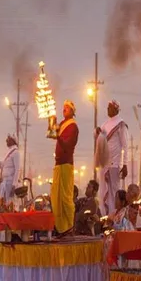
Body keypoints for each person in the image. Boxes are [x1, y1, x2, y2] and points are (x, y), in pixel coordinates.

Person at [51, 100, 79, 235]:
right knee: (55, 197)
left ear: (73, 111)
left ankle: (68, 226)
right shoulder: (62, 124)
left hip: (66, 165)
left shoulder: (73, 126)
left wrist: (58, 138)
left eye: (67, 108)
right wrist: (51, 122)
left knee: (66, 198)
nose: (64, 109)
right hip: (58, 165)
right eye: (63, 107)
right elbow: (51, 134)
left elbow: (68, 146)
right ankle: (59, 227)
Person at [96, 100, 128, 216]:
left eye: (110, 107)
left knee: (115, 193)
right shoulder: (104, 125)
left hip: (115, 164)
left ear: (116, 109)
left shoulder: (120, 124)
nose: (107, 109)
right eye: (107, 107)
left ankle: (116, 219)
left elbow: (125, 146)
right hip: (104, 164)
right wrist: (98, 134)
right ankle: (107, 218)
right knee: (103, 193)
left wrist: (125, 164)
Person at [0, 134, 21, 207]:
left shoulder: (16, 153)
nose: (6, 140)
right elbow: (1, 165)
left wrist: (14, 185)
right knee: (3, 205)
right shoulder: (9, 152)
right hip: (5, 183)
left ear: (13, 141)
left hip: (10, 183)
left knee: (10, 204)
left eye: (8, 139)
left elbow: (17, 170)